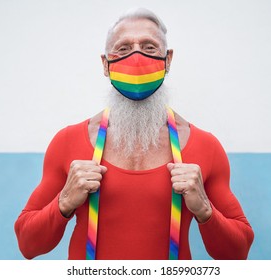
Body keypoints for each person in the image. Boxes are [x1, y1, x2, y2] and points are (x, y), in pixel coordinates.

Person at [14, 7, 254, 260]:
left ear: (168, 59)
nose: (137, 58)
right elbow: (29, 245)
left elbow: (237, 253)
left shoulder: (205, 147)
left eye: (149, 47)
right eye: (124, 48)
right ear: (105, 64)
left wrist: (205, 210)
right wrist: (64, 201)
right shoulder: (67, 142)